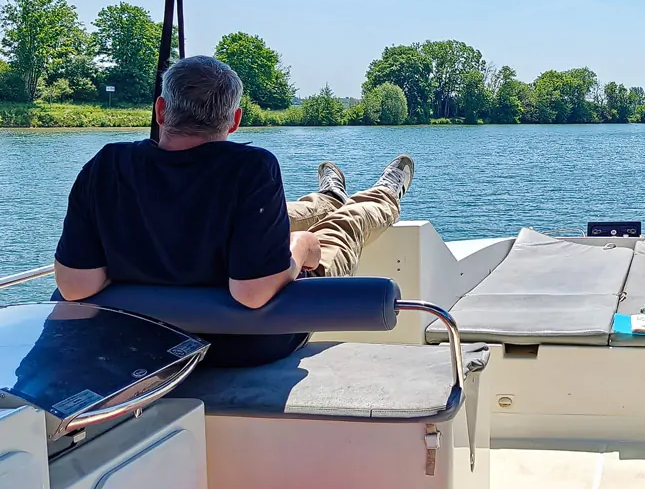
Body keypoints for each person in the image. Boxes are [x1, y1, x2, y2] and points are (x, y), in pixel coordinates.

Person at [52, 54, 413, 365]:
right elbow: (252, 293)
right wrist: (302, 246)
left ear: (161, 110)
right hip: (243, 346)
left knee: (278, 216)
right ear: (235, 120)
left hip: (138, 347)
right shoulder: (250, 168)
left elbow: (75, 285)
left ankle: (329, 196)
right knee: (342, 228)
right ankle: (383, 193)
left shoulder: (107, 166)